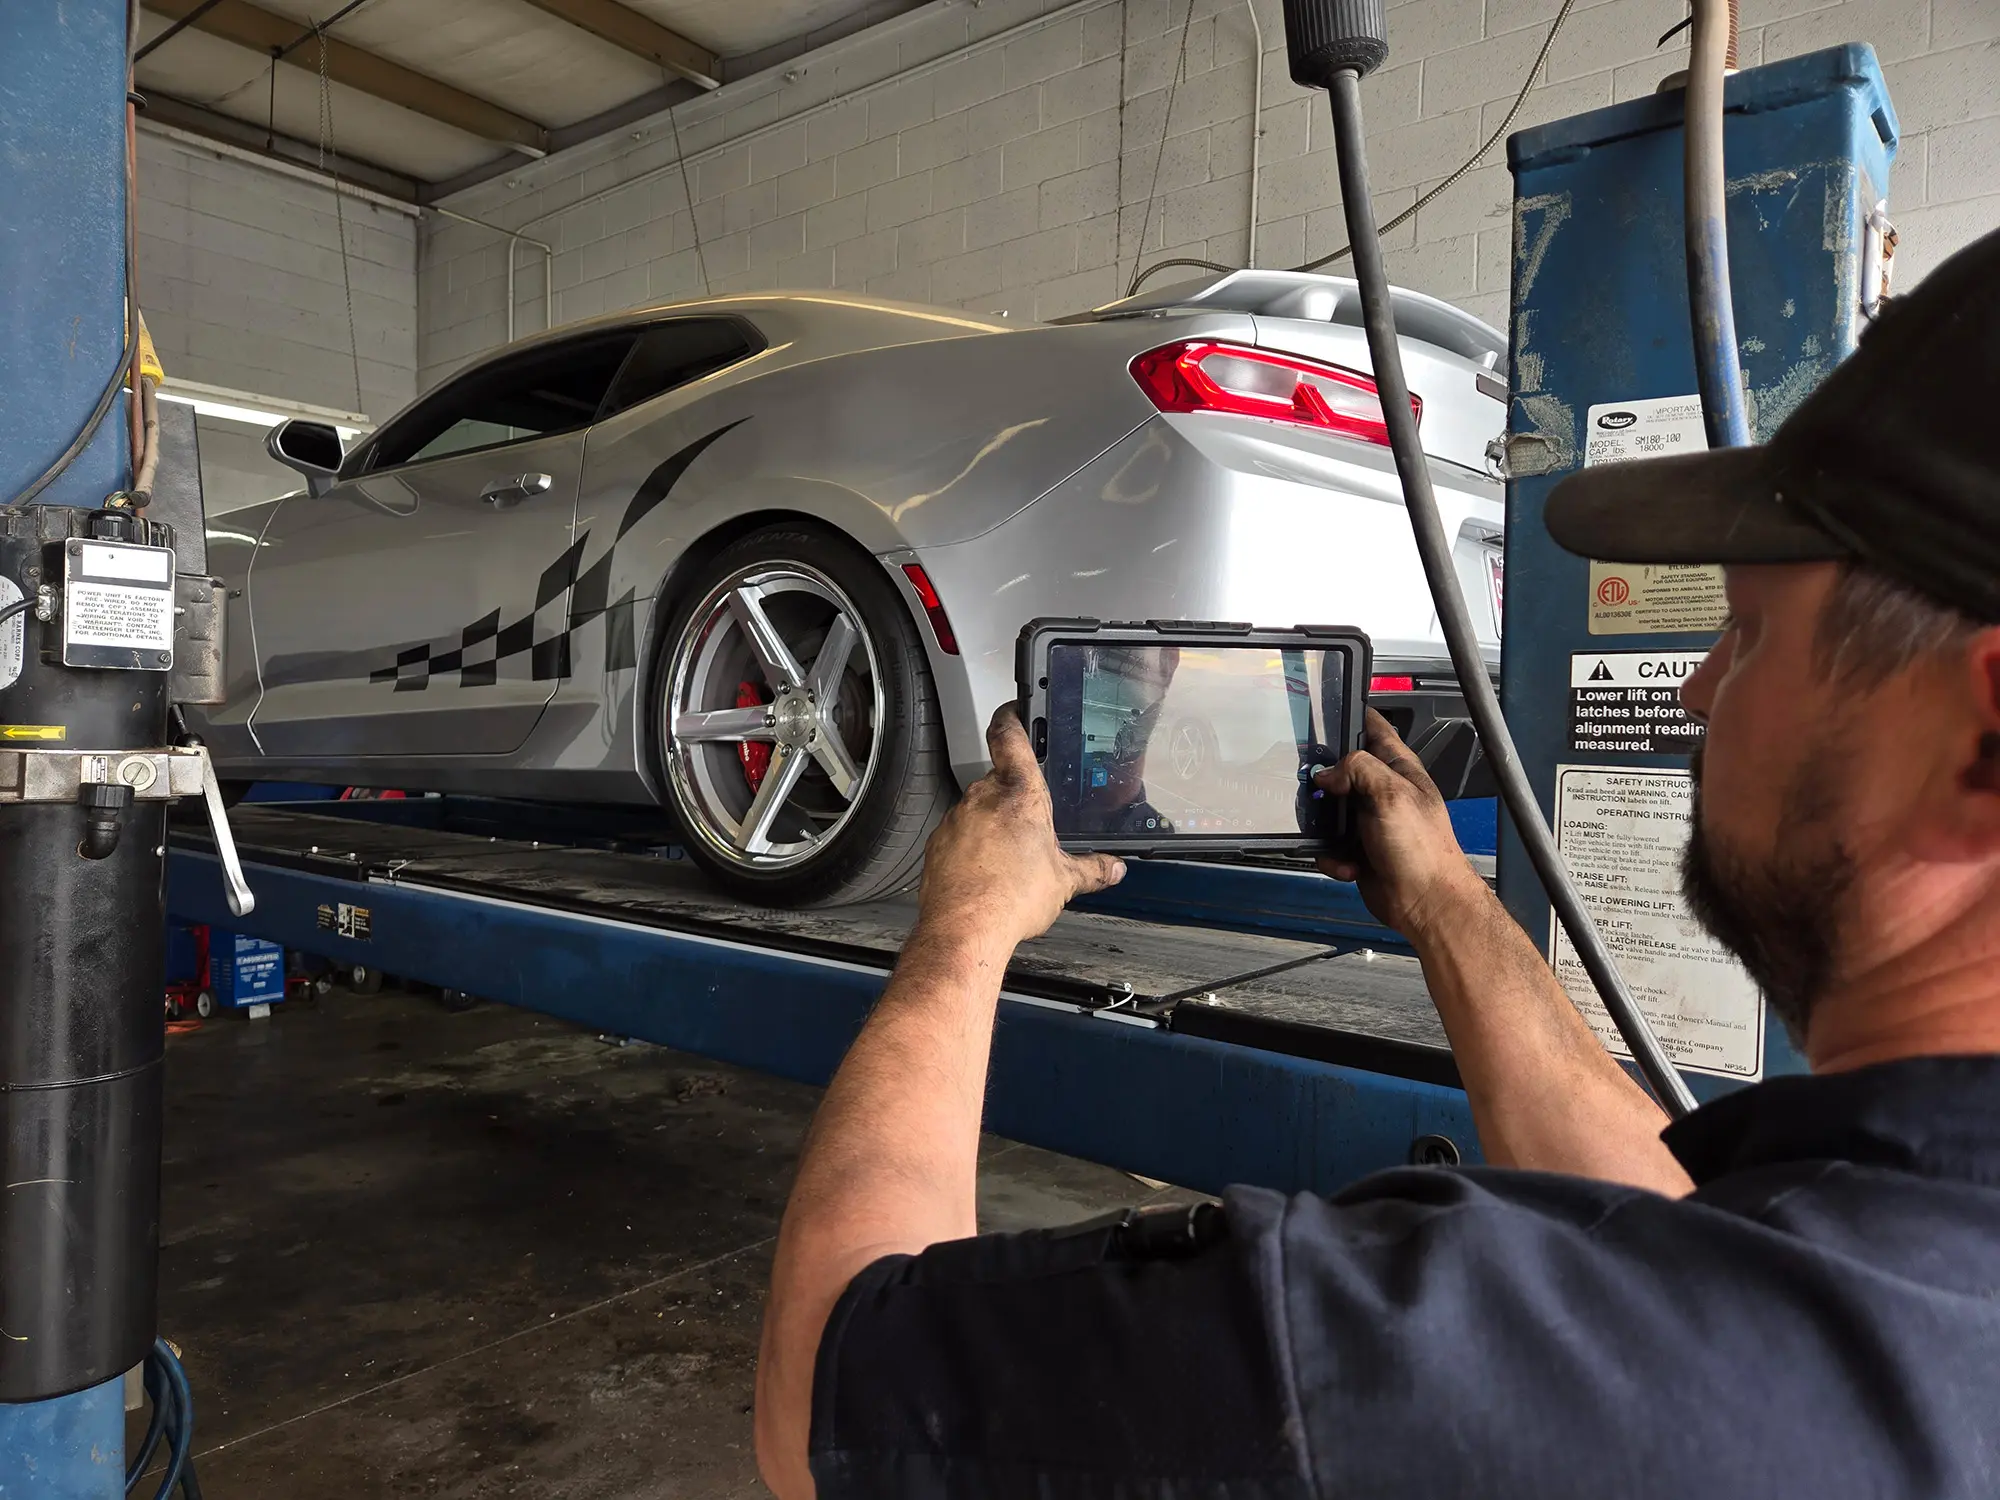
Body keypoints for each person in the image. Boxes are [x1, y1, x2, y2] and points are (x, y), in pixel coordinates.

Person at [754, 226, 2000, 1499]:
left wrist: (961, 933)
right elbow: (1673, 1231)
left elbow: (825, 1388)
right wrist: (1447, 904)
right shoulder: (1881, 1269)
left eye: (1744, 634)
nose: (1693, 690)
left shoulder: (1409, 1353)